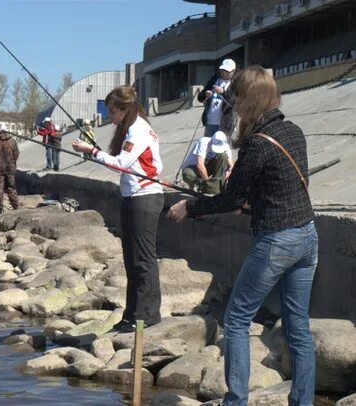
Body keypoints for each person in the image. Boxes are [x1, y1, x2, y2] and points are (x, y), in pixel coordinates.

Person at [168, 66, 318, 406]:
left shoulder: (256, 144)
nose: (232, 106)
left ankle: (235, 401)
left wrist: (188, 208)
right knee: (298, 327)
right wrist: (252, 204)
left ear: (248, 101)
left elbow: (228, 198)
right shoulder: (294, 131)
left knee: (236, 319)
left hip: (277, 240)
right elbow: (286, 188)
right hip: (307, 237)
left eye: (234, 99)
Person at [72, 85, 164, 333]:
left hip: (145, 199)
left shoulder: (138, 130)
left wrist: (92, 151)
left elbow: (121, 164)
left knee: (143, 260)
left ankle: (147, 315)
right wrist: (95, 151)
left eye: (112, 112)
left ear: (124, 109)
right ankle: (132, 314)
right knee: (131, 259)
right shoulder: (132, 128)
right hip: (133, 197)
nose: (110, 117)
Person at [197, 58, 237, 138]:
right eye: (223, 70)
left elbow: (235, 103)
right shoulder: (214, 80)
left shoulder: (235, 84)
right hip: (210, 122)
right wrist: (206, 95)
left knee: (222, 148)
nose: (224, 73)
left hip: (225, 124)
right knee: (208, 147)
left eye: (227, 71)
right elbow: (200, 98)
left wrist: (223, 93)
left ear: (233, 71)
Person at [0, 129, 20, 215]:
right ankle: (16, 207)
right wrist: (12, 162)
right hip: (10, 168)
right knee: (11, 188)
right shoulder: (12, 141)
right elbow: (16, 154)